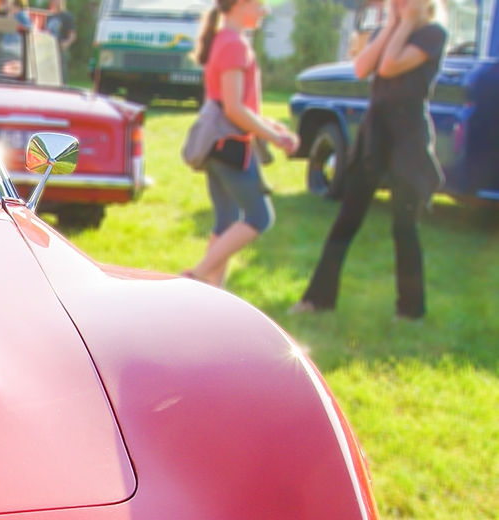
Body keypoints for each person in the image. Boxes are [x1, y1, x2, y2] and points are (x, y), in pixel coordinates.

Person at [292, 0, 447, 320]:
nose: (400, 3)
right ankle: (317, 300)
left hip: (408, 139)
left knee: (405, 227)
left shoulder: (433, 34)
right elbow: (362, 67)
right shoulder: (386, 30)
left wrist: (404, 24)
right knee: (346, 220)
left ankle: (410, 310)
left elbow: (390, 65)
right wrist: (392, 24)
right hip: (374, 136)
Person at [184, 0, 298, 287]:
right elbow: (234, 109)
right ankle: (195, 277)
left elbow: (233, 104)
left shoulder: (224, 40)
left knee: (226, 220)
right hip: (230, 147)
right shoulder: (234, 45)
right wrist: (275, 138)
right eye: (259, 5)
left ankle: (211, 294)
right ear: (241, 5)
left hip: (218, 144)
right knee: (260, 216)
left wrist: (269, 126)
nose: (264, 11)